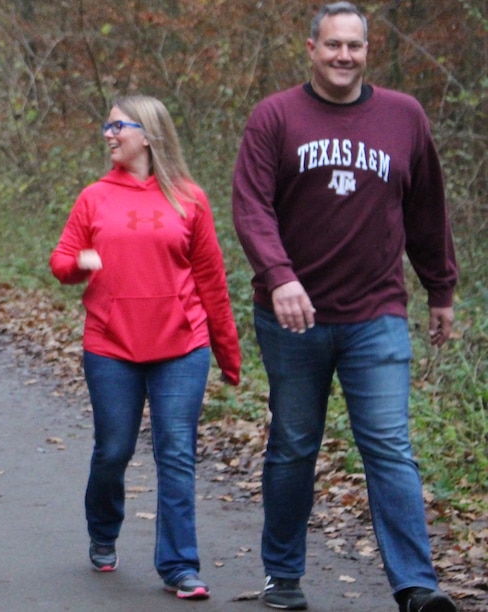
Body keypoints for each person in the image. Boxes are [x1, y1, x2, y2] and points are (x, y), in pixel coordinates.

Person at [230, 3, 459, 611]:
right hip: (291, 319)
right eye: (332, 45)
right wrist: (278, 277)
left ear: (367, 50)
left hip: (375, 313)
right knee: (294, 444)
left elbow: (427, 210)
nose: (343, 57)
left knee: (388, 444)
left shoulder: (403, 117)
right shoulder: (275, 117)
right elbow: (251, 207)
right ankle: (283, 576)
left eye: (354, 46)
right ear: (311, 49)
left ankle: (417, 588)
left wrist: (440, 289)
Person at [50, 94, 241, 601]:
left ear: (149, 134)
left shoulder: (189, 198)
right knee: (114, 449)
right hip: (111, 344)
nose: (109, 134)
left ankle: (179, 565)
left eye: (118, 126)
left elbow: (211, 279)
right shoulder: (94, 197)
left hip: (182, 345)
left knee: (176, 452)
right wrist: (80, 263)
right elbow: (61, 260)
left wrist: (227, 352)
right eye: (106, 127)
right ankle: (103, 528)